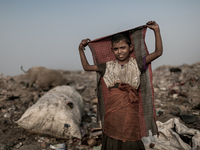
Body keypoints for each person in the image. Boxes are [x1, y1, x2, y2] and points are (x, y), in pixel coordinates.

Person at [78, 21, 163, 150]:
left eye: (123, 47)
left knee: (131, 136)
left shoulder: (137, 63)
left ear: (131, 47)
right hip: (113, 110)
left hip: (130, 109)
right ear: (112, 50)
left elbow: (158, 52)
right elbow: (87, 67)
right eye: (116, 49)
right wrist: (80, 50)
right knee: (112, 135)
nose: (120, 52)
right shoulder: (107, 66)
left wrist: (156, 30)